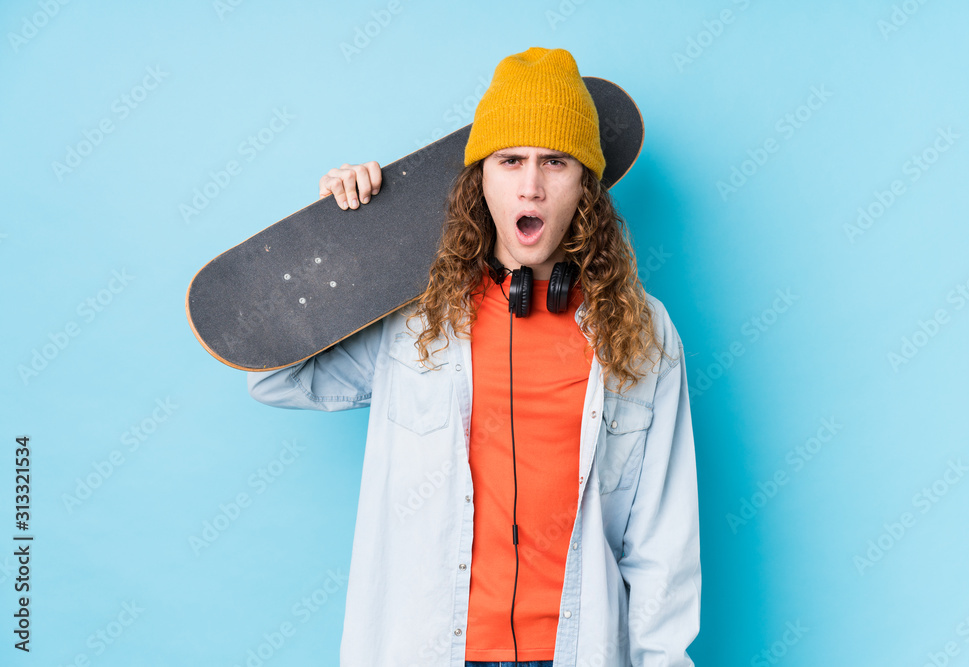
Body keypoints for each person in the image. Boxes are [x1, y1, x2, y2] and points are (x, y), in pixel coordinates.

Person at [248, 47, 700, 667]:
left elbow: (662, 541)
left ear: (585, 190)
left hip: (577, 650)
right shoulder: (413, 323)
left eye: (555, 163)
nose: (531, 185)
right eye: (510, 161)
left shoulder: (642, 334)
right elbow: (274, 377)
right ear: (480, 181)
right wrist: (339, 245)